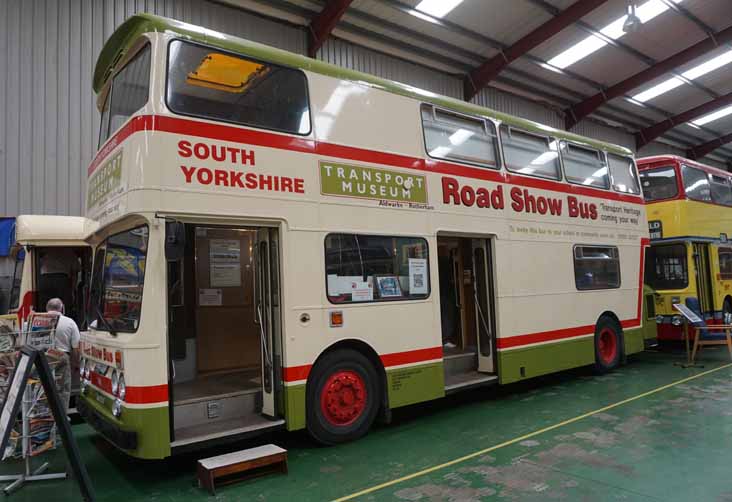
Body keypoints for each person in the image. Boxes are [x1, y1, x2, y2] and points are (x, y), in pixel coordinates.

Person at [46, 298, 80, 410]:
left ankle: (46, 413)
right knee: (63, 388)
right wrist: (75, 364)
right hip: (62, 356)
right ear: (62, 308)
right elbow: (75, 347)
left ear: (47, 308)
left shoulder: (38, 319)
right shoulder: (70, 322)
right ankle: (62, 416)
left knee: (44, 386)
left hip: (43, 357)